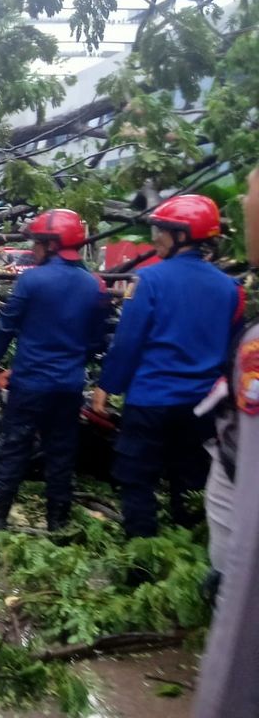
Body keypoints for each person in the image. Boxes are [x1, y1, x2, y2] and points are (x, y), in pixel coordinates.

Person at [93, 194, 245, 538]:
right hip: (202, 408)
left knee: (136, 480)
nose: (154, 237)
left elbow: (128, 342)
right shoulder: (232, 289)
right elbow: (233, 351)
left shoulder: (149, 282)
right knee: (191, 484)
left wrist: (107, 386)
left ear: (182, 236)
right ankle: (186, 550)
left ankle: (141, 563)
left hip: (150, 402)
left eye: (161, 231)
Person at [0, 209, 109, 535]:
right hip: (68, 386)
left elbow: (7, 325)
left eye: (37, 242)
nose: (33, 249)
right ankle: (57, 525)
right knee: (61, 454)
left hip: (30, 384)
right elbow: (96, 341)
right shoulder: (95, 285)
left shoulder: (32, 279)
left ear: (51, 244)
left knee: (12, 449)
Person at [194, 166, 259, 718]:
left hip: (213, 426)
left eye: (251, 193)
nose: (243, 200)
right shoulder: (231, 289)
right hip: (200, 402)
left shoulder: (156, 282)